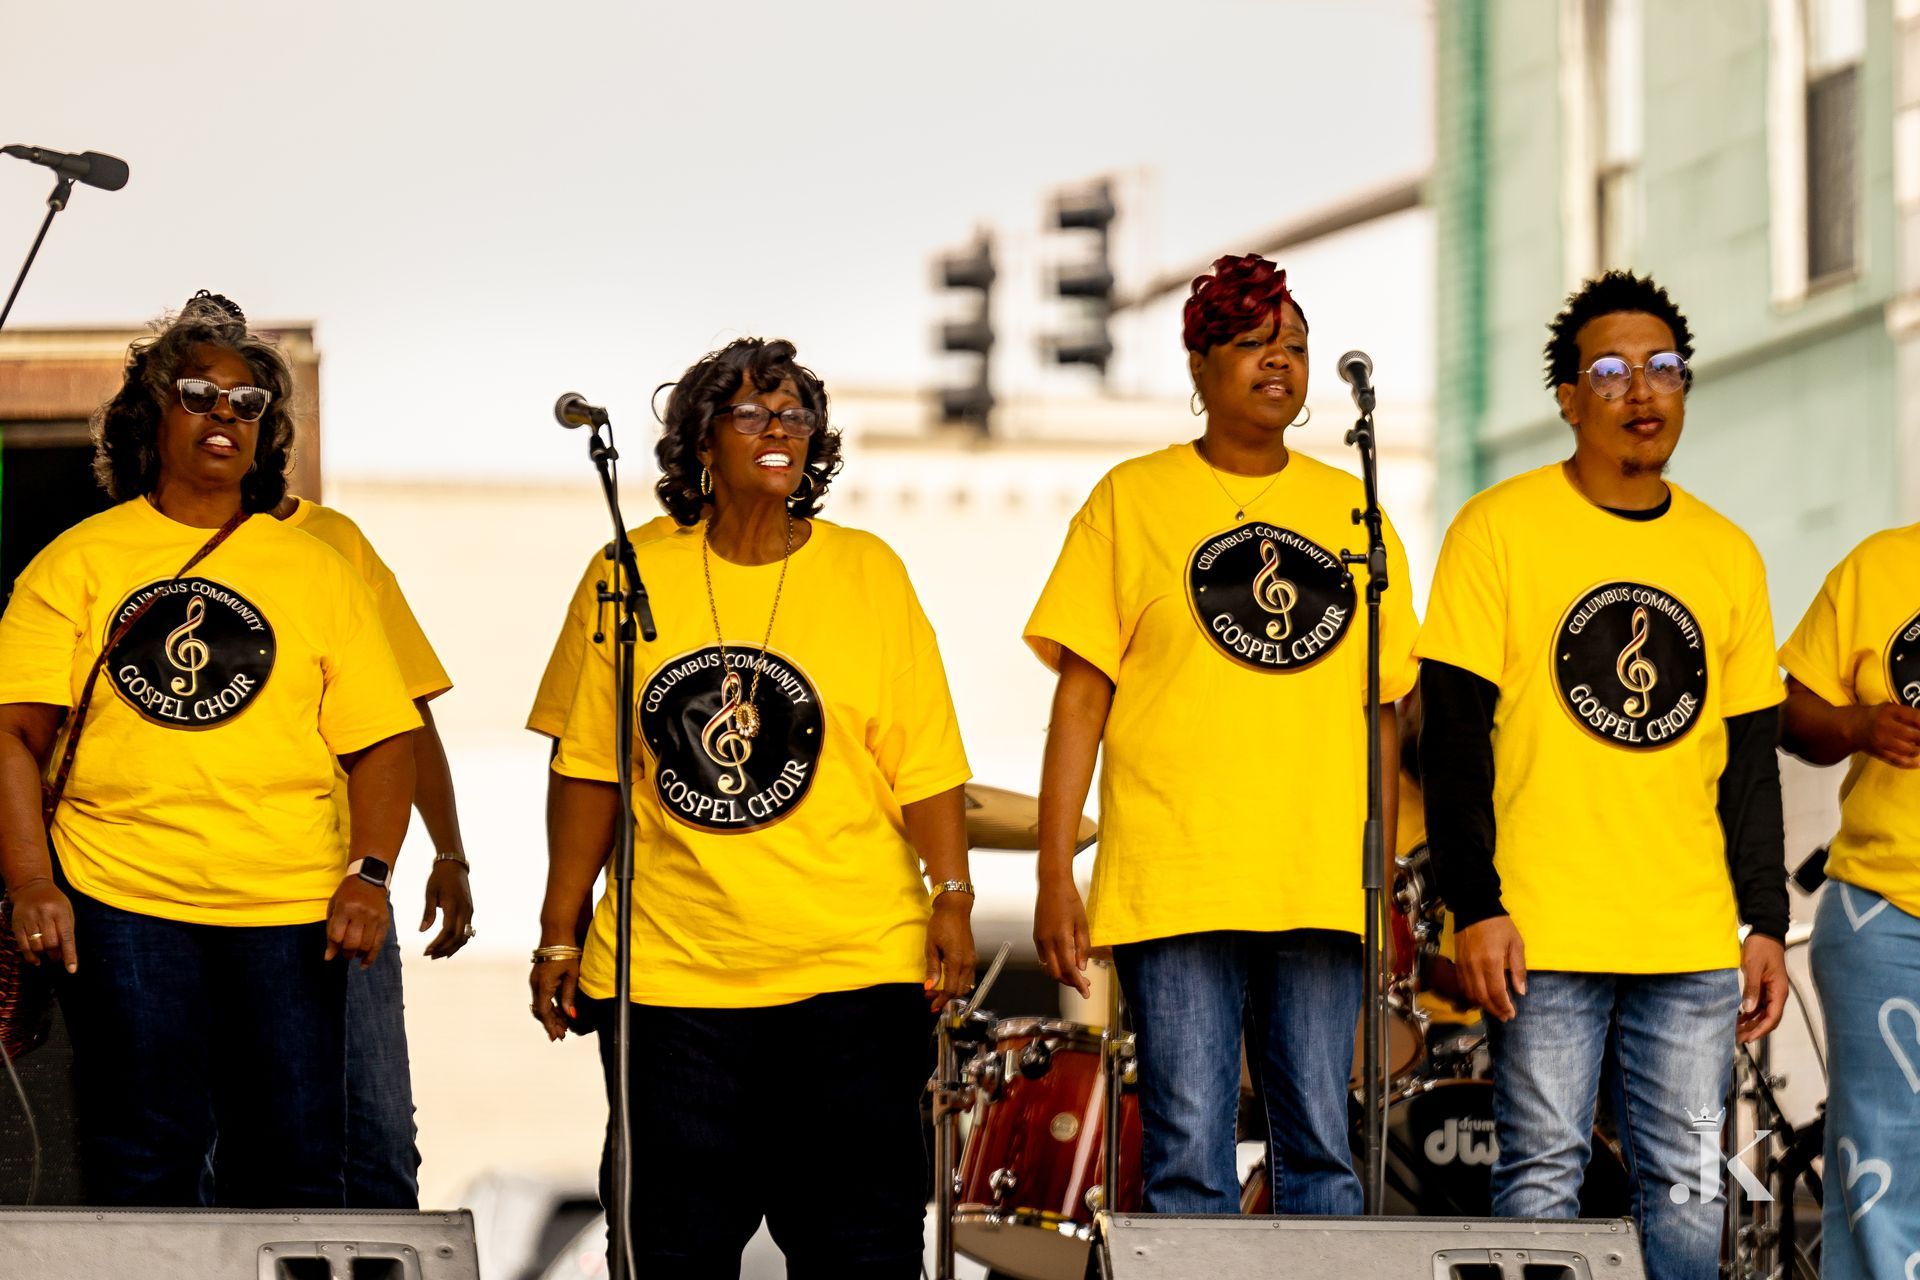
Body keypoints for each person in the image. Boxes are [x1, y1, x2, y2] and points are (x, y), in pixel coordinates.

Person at [529, 337, 975, 1276]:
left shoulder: (868, 571)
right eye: (751, 413)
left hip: (852, 977)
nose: (779, 430)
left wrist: (953, 894)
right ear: (701, 441)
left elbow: (927, 759)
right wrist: (558, 933)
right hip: (674, 984)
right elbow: (589, 768)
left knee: (863, 1254)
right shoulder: (626, 572)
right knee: (668, 1253)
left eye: (794, 414)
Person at [0, 294, 421, 1207]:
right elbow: (14, 737)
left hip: (291, 907)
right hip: (123, 899)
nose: (224, 413)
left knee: (296, 1160)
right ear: (151, 414)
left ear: (266, 433)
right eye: (198, 393)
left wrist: (370, 873)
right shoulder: (75, 562)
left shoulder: (319, 569)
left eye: (247, 402)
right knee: (145, 1158)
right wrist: (32, 881)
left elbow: (388, 741)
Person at [1027, 253, 1418, 1215]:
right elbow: (1081, 699)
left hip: (1317, 876)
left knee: (1321, 1148)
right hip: (1179, 873)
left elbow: (1380, 712)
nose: (1279, 360)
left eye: (1296, 346)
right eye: (1251, 342)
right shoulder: (1132, 498)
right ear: (1199, 366)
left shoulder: (1354, 511)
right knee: (1188, 1152)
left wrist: (1381, 880)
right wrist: (1053, 870)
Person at [1416, 270, 1788, 1280]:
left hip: (1689, 937)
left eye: (1663, 367)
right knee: (1541, 1173)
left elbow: (1750, 762)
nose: (1642, 390)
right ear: (1569, 399)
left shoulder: (1727, 553)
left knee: (1691, 1183)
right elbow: (1454, 739)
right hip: (1543, 929)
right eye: (1612, 372)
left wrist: (1763, 919)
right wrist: (1475, 904)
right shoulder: (1498, 528)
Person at [1778, 525, 1920, 1278]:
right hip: (1884, 910)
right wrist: (1856, 725)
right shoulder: (1879, 565)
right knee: (1880, 1159)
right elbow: (1789, 713)